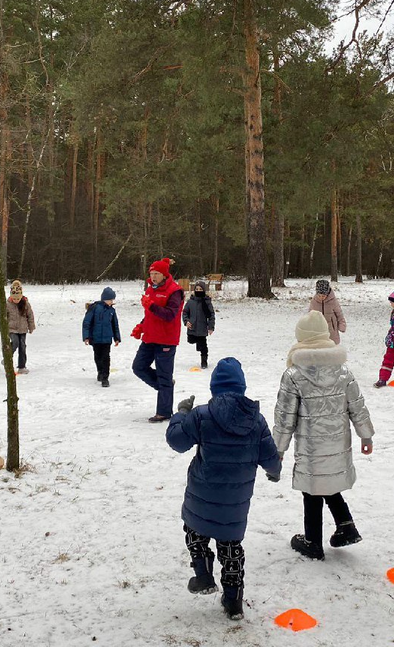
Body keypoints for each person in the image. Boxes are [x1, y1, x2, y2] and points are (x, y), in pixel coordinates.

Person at [166, 358, 281, 621]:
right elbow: (271, 457)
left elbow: (176, 441)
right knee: (231, 548)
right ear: (242, 387)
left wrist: (182, 413)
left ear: (214, 386)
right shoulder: (256, 420)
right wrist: (274, 472)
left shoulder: (202, 414)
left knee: (195, 532)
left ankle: (204, 575)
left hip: (202, 493)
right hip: (236, 501)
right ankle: (234, 601)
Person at [274, 311, 375, 560]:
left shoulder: (293, 374)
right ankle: (346, 526)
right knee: (326, 481)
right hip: (337, 443)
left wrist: (277, 449)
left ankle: (312, 542)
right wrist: (366, 435)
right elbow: (357, 406)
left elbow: (285, 417)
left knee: (312, 489)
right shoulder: (343, 372)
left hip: (310, 447)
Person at [132, 258, 184, 422]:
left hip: (166, 340)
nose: (153, 277)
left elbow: (170, 315)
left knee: (164, 375)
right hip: (150, 337)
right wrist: (141, 326)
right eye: (151, 273)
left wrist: (152, 306)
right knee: (138, 367)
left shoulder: (174, 291)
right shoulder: (150, 289)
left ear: (164, 274)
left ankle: (163, 412)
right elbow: (149, 314)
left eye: (157, 274)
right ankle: (166, 387)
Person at [83, 287, 121, 387]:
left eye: (112, 300)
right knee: (97, 356)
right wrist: (86, 336)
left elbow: (115, 325)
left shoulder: (112, 311)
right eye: (110, 300)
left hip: (107, 339)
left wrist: (116, 338)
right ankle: (100, 372)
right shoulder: (94, 308)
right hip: (95, 338)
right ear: (105, 299)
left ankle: (105, 377)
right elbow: (87, 323)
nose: (112, 302)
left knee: (105, 357)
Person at [182, 280, 216, 369]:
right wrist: (186, 321)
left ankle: (204, 361)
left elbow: (211, 315)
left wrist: (211, 327)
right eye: (196, 289)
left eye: (200, 289)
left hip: (202, 328)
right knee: (191, 341)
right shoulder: (190, 302)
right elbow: (185, 313)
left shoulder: (207, 302)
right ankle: (198, 343)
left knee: (203, 347)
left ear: (204, 290)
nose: (198, 290)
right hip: (192, 327)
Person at [6, 280, 36, 374]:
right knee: (15, 342)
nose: (16, 300)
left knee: (22, 346)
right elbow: (3, 316)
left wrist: (31, 327)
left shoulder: (25, 303)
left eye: (18, 299)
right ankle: (7, 358)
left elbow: (30, 316)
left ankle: (22, 366)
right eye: (14, 298)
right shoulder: (7, 304)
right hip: (12, 329)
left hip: (23, 329)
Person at [309, 279, 346, 344]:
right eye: (319, 295)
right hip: (318, 328)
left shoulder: (333, 301)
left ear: (328, 293)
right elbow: (310, 315)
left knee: (332, 344)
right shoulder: (314, 302)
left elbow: (339, 314)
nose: (321, 297)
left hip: (331, 329)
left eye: (323, 296)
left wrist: (342, 325)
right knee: (320, 345)